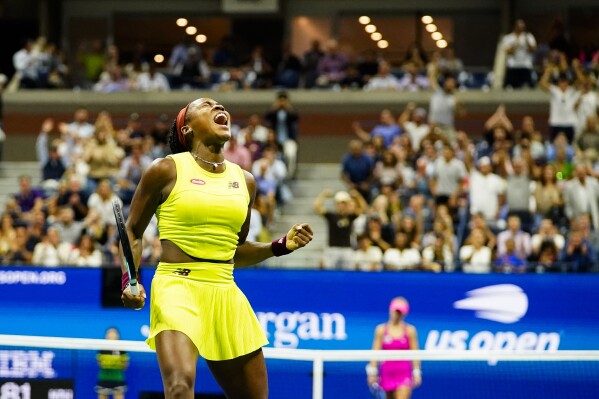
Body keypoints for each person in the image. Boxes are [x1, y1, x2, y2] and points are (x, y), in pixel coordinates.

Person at [119, 97, 313, 399]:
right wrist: (129, 280)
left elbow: (235, 252)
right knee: (180, 387)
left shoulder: (245, 181)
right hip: (177, 287)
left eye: (221, 106)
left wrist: (279, 246)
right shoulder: (165, 170)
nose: (219, 108)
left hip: (225, 290)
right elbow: (132, 230)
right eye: (207, 105)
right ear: (187, 128)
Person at [367, 297, 421, 399]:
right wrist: (372, 372)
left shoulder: (410, 331)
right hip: (387, 373)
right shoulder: (381, 330)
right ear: (390, 310)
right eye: (395, 311)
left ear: (405, 313)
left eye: (400, 312)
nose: (397, 314)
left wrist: (416, 372)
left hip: (404, 373)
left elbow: (415, 354)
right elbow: (375, 353)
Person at [95, 327, 128, 399]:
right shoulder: (102, 348)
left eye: (114, 332)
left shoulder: (122, 348)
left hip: (118, 379)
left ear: (117, 335)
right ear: (106, 335)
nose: (112, 334)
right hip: (104, 378)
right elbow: (99, 363)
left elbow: (125, 364)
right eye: (110, 332)